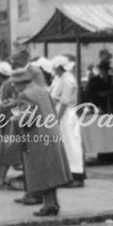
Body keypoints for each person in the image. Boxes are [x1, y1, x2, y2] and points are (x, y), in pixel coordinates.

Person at [13, 67, 72, 215]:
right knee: (50, 171)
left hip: (37, 136)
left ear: (20, 83)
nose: (14, 87)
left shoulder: (25, 94)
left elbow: (27, 119)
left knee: (42, 171)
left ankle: (48, 205)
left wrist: (15, 119)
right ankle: (52, 203)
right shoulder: (41, 90)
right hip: (51, 133)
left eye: (15, 84)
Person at [50, 55, 85, 187]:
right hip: (62, 113)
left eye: (55, 68)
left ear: (59, 68)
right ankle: (68, 173)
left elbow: (64, 101)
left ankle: (76, 174)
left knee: (71, 144)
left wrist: (57, 118)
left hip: (66, 114)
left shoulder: (67, 80)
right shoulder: (62, 79)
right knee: (65, 144)